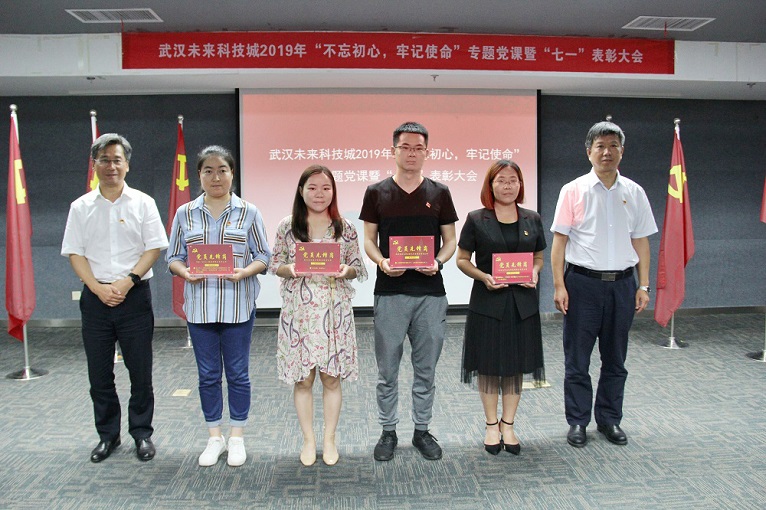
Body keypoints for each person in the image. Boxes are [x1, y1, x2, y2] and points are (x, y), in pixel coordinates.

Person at [61, 133, 169, 463]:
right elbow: (75, 253)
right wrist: (96, 287)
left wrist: (128, 281)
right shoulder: (80, 207)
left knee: (140, 372)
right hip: (96, 299)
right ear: (94, 165)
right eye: (104, 160)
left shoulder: (143, 203)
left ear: (127, 165)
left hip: (134, 297)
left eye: (117, 160)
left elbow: (154, 247)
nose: (111, 166)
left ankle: (142, 433)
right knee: (99, 374)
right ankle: (108, 435)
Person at [550, 121, 657, 448]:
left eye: (613, 146)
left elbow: (641, 242)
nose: (607, 152)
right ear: (589, 152)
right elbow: (559, 242)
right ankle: (578, 421)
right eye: (600, 146)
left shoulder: (635, 192)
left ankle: (610, 420)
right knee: (577, 359)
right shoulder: (573, 190)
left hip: (622, 286)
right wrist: (559, 285)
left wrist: (644, 285)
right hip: (582, 284)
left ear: (622, 151)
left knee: (615, 360)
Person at [167, 145, 271, 467]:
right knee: (208, 375)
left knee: (238, 374)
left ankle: (237, 436)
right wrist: (185, 272)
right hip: (200, 309)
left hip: (237, 308)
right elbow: (173, 257)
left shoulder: (249, 212)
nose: (216, 177)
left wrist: (244, 272)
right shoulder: (185, 214)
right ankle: (214, 437)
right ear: (199, 175)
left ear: (232, 173)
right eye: (208, 171)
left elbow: (263, 256)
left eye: (222, 170)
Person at [359, 121, 458, 461]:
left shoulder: (440, 192)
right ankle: (388, 430)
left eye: (418, 148)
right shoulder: (376, 192)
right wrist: (382, 261)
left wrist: (439, 262)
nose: (412, 153)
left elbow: (450, 241)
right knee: (387, 370)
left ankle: (421, 430)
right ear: (394, 151)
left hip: (431, 294)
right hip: (390, 293)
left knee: (425, 369)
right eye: (405, 147)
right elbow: (369, 240)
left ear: (427, 152)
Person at [270, 165, 368, 467]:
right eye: (312, 187)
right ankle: (309, 440)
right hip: (298, 314)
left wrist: (346, 270)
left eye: (326, 188)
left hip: (334, 313)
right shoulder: (287, 226)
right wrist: (290, 269)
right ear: (301, 191)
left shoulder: (344, 227)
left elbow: (358, 267)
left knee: (331, 379)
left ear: (333, 191)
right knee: (303, 381)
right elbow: (275, 263)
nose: (319, 194)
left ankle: (329, 439)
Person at [456, 160, 546, 456]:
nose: (508, 186)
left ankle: (508, 425)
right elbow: (462, 259)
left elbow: (538, 257)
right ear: (490, 185)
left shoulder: (532, 219)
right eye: (501, 180)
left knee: (514, 366)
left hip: (522, 305)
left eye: (513, 180)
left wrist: (534, 272)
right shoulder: (476, 218)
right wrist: (483, 276)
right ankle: (491, 425)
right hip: (488, 303)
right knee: (489, 367)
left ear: (520, 184)